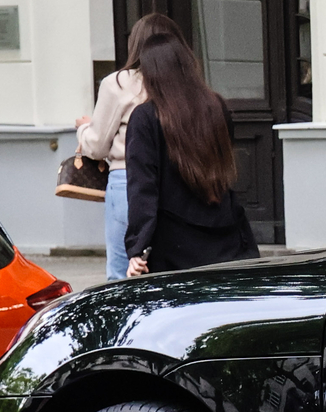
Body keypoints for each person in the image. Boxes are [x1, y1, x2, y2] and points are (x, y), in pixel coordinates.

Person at [123, 34, 261, 276]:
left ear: (151, 74)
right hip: (225, 235)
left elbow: (143, 187)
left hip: (173, 248)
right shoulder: (216, 107)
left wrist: (138, 247)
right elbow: (223, 172)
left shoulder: (145, 118)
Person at [76, 14, 185, 280]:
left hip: (128, 181)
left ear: (136, 45)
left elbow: (98, 145)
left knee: (121, 275)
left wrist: (83, 129)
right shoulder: (185, 84)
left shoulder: (119, 83)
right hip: (179, 182)